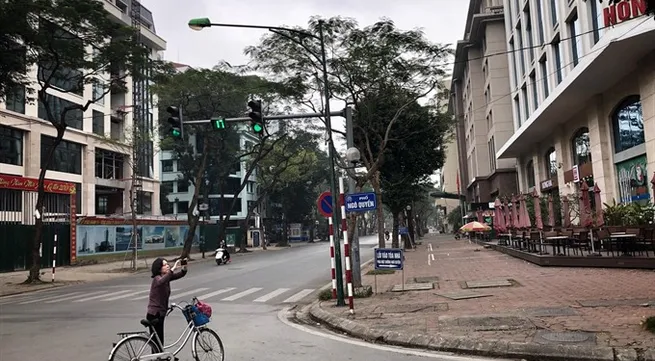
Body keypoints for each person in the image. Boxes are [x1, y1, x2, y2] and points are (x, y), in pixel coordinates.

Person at [146, 257, 188, 348]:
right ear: (159, 268)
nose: (167, 266)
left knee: (158, 342)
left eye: (167, 264)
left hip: (160, 313)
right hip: (154, 314)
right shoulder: (157, 279)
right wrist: (173, 269)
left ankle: (157, 357)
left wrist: (184, 267)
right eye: (164, 265)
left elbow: (180, 274)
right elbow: (162, 281)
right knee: (158, 343)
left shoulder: (166, 278)